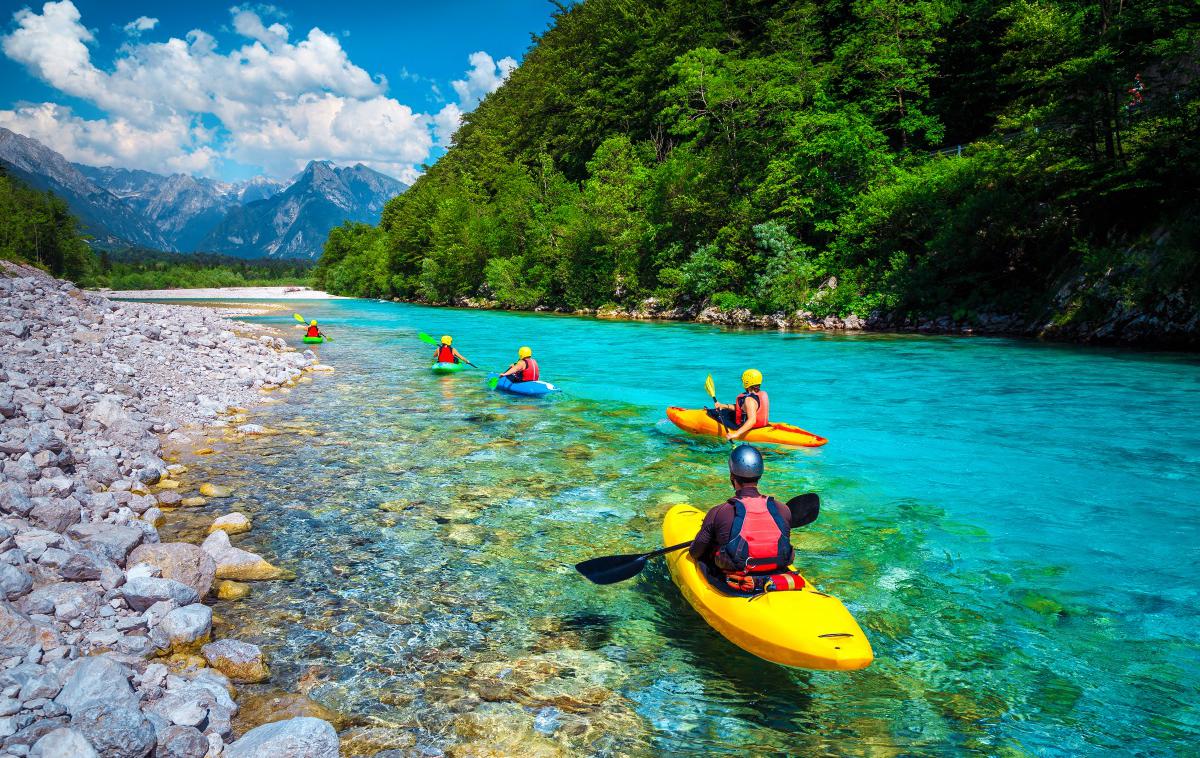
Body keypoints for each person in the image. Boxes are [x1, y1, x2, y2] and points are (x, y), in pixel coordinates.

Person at [688, 444, 797, 593]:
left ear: (732, 476)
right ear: (760, 475)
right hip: (776, 578)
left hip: (736, 585)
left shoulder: (719, 512)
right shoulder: (783, 510)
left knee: (705, 558)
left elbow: (695, 552)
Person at [710, 369, 769, 441]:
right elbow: (741, 409)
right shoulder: (762, 393)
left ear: (746, 383)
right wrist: (723, 405)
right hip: (763, 426)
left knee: (714, 413)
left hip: (748, 427)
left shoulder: (749, 400)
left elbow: (752, 420)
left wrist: (736, 434)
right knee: (725, 410)